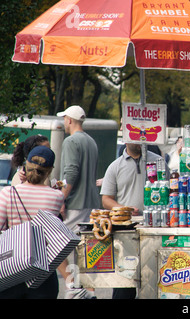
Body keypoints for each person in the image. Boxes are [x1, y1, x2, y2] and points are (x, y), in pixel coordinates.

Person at [100, 143, 169, 299]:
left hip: (155, 230)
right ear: (126, 138)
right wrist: (123, 209)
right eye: (135, 135)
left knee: (155, 283)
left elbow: (171, 192)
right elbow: (106, 199)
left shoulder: (159, 162)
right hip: (126, 233)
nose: (139, 139)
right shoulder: (115, 166)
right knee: (124, 285)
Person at [0, 146, 64, 299]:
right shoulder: (56, 196)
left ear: (25, 166)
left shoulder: (9, 193)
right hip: (43, 269)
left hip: (12, 265)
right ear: (49, 171)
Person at [56, 105, 100, 299]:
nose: (64, 122)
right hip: (92, 202)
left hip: (76, 203)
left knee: (53, 245)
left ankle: (71, 284)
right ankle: (88, 290)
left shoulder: (71, 141)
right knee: (86, 248)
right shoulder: (91, 142)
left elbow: (70, 173)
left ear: (70, 120)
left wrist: (61, 197)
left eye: (64, 119)